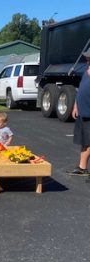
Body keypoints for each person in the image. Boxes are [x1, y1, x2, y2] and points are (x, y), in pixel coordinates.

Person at [67, 47, 90, 176]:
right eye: (87, 58)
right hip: (83, 112)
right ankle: (82, 168)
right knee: (84, 141)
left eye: (89, 58)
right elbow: (80, 90)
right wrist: (76, 106)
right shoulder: (86, 71)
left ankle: (82, 167)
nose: (87, 60)